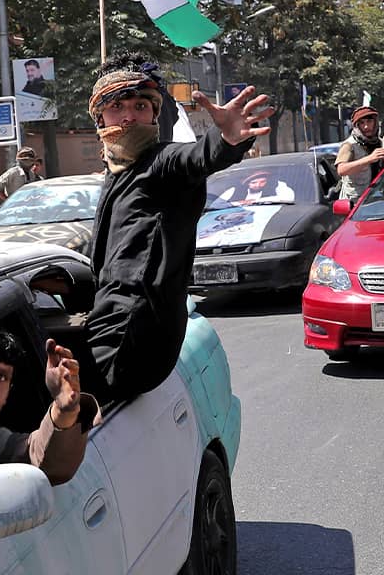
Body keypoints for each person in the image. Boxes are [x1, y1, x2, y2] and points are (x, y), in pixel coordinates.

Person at [83, 69, 272, 402]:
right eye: (117, 107)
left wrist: (228, 140)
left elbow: (197, 157)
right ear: (100, 118)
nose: (129, 116)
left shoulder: (161, 163)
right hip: (111, 321)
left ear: (154, 115)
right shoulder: (116, 175)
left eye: (140, 106)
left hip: (134, 335)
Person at [0, 330, 99, 495]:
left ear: (8, 392)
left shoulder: (5, 451)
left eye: (0, 377)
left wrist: (65, 410)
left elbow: (44, 458)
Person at [335, 106, 384, 201]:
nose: (366, 127)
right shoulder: (350, 145)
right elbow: (341, 170)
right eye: (362, 123)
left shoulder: (380, 143)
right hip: (355, 202)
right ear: (357, 126)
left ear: (375, 123)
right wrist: (369, 159)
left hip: (376, 198)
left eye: (369, 122)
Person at [231, 169, 295, 205]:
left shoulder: (277, 185)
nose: (258, 185)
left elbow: (289, 198)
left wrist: (255, 201)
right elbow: (225, 204)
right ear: (247, 183)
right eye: (254, 183)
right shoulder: (234, 190)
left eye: (262, 182)